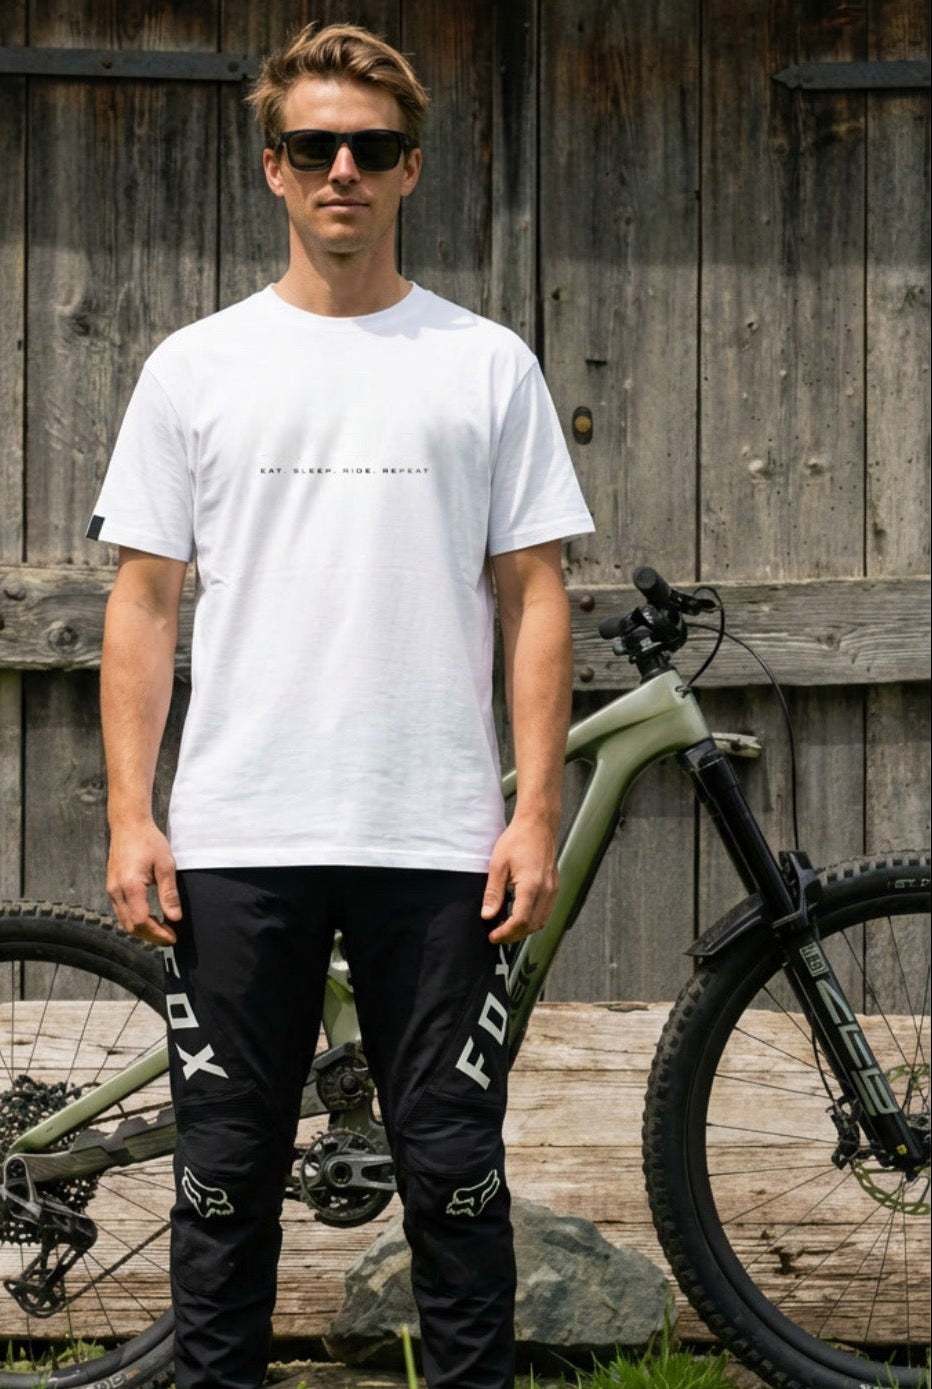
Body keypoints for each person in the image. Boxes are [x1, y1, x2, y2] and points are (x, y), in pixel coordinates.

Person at [88, 21, 593, 1389]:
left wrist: (533, 810)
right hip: (239, 833)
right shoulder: (196, 367)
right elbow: (144, 600)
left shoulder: (485, 363)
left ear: (412, 167)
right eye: (313, 146)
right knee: (223, 1175)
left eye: (371, 148)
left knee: (456, 1171)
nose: (342, 171)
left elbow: (535, 593)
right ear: (273, 166)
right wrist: (132, 813)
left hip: (435, 837)